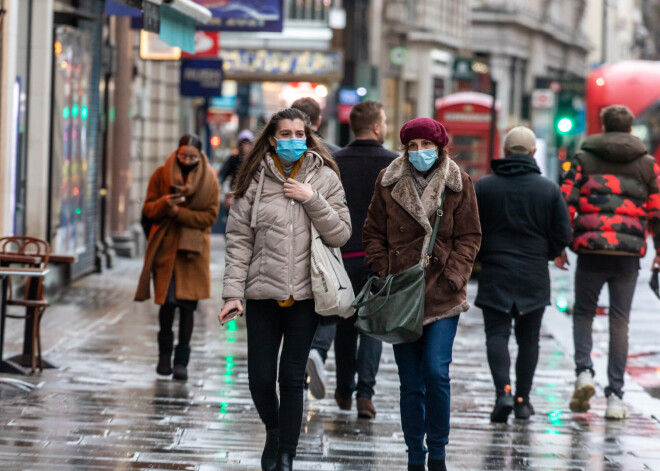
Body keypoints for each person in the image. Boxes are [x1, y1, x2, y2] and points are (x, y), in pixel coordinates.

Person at [218, 108, 351, 470]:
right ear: (272, 139)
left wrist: (312, 198)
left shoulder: (325, 178)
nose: (293, 140)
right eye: (286, 134)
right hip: (261, 294)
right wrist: (232, 294)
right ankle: (274, 431)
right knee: (260, 378)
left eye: (299, 134)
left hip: (307, 296)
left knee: (291, 377)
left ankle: (287, 456)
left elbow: (340, 233)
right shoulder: (253, 179)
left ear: (307, 137)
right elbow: (238, 240)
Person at [362, 117, 481, 471]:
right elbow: (372, 232)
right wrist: (383, 269)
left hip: (443, 294)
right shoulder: (388, 181)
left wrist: (454, 276)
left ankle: (439, 454)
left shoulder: (460, 184)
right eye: (412, 147)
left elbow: (470, 236)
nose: (419, 153)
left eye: (426, 146)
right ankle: (416, 455)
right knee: (411, 381)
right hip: (401, 293)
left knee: (436, 372)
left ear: (439, 148)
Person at [555, 105, 660, 419]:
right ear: (630, 129)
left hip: (590, 250)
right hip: (627, 254)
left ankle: (584, 372)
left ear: (603, 126)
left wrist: (560, 245)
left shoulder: (583, 159)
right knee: (619, 321)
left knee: (584, 313)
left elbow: (565, 201)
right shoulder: (648, 165)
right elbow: (657, 211)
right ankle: (615, 396)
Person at [304, 101, 397, 416]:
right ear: (376, 127)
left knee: (344, 324)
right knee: (372, 326)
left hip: (340, 256)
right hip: (377, 259)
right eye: (383, 122)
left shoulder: (335, 161)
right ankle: (364, 395)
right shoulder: (393, 163)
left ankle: (344, 390)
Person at [474, 126, 572, 423]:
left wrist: (481, 258)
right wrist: (546, 252)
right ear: (532, 153)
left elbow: (471, 230)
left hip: (495, 271)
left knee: (497, 334)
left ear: (504, 152)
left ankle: (502, 392)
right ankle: (522, 400)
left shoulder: (484, 186)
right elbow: (563, 233)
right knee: (529, 340)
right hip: (533, 273)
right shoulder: (548, 189)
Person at [135, 134, 220, 381]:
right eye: (183, 156)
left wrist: (179, 213)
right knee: (167, 303)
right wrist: (164, 204)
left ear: (200, 156)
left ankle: (181, 361)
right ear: (177, 152)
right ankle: (164, 357)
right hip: (166, 249)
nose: (187, 161)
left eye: (192, 157)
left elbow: (210, 217)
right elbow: (148, 209)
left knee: (187, 308)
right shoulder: (161, 173)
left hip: (192, 254)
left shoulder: (209, 180)